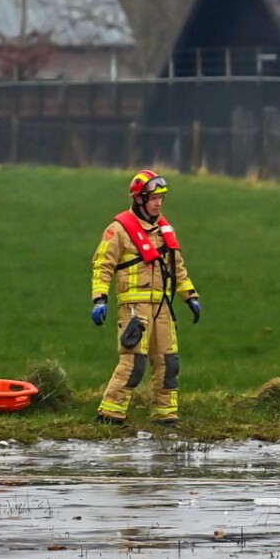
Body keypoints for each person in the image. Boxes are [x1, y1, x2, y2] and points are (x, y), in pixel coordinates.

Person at [91, 170, 201, 427]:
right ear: (139, 199)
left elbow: (178, 267)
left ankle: (165, 415)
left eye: (161, 198)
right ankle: (110, 414)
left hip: (162, 307)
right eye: (153, 198)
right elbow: (102, 266)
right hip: (134, 310)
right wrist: (100, 299)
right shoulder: (118, 230)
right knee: (133, 363)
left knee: (168, 363)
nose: (158, 203)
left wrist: (190, 296)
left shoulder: (164, 229)